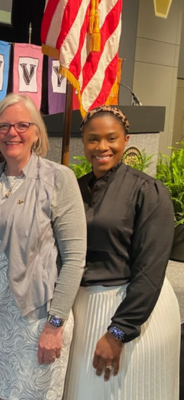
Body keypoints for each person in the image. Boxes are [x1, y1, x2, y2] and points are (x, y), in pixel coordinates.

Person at [0, 93, 86, 400]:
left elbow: (75, 259)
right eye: (4, 126)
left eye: (23, 124)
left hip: (37, 321)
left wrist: (55, 324)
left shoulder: (58, 178)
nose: (13, 132)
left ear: (37, 132)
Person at [64, 106, 180, 399]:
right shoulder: (75, 189)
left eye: (111, 138)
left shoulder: (147, 190)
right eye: (93, 139)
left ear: (125, 139)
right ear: (83, 142)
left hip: (130, 312)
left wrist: (119, 332)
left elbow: (151, 270)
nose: (102, 147)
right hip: (84, 310)